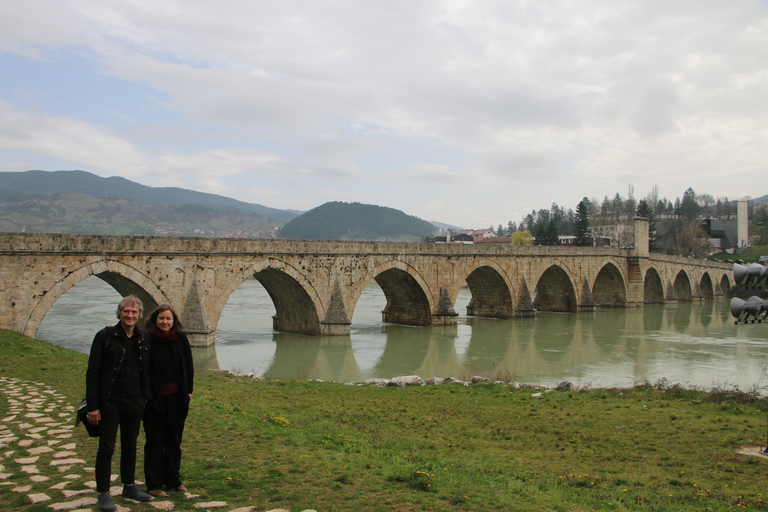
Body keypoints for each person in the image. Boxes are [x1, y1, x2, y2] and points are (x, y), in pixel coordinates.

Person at [86, 295, 153, 512]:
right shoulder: (105, 336)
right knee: (106, 448)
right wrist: (93, 406)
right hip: (110, 402)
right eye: (127, 312)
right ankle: (103, 493)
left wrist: (145, 398)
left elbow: (148, 371)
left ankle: (129, 485)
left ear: (139, 315)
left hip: (134, 401)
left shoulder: (143, 338)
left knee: (130, 445)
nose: (130, 315)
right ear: (120, 313)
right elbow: (93, 373)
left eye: (134, 312)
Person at [143, 304, 194, 497]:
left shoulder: (180, 338)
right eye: (161, 319)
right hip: (154, 400)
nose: (165, 322)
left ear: (174, 321)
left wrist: (188, 391)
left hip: (177, 399)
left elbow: (189, 366)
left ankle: (174, 480)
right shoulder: (147, 340)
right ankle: (154, 484)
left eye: (168, 319)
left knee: (174, 440)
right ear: (155, 320)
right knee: (155, 441)